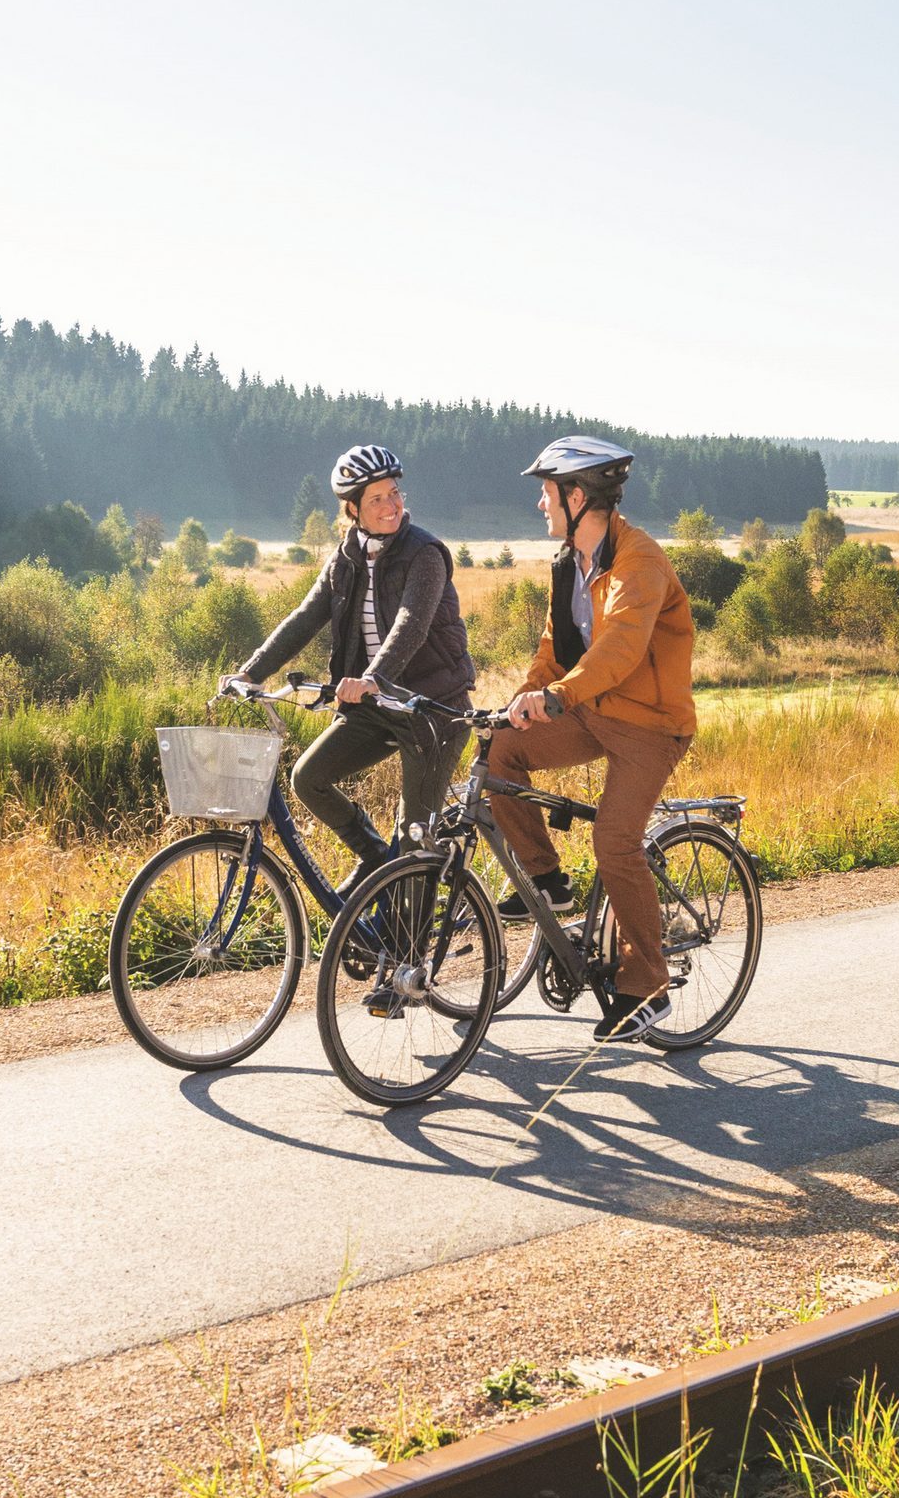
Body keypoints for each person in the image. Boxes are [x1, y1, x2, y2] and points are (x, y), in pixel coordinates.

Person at [486, 434, 696, 1044]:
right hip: (592, 708)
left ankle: (648, 984)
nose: (540, 505)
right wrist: (524, 701)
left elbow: (621, 650)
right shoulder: (569, 565)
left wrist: (556, 698)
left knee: (614, 839)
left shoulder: (639, 562)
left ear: (577, 497)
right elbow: (556, 652)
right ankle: (543, 878)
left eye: (546, 494)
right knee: (501, 751)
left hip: (651, 726)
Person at [231, 444, 475, 876]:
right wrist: (251, 671)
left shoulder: (425, 554)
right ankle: (381, 864)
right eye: (377, 498)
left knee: (415, 837)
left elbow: (411, 622)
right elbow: (304, 618)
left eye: (394, 493)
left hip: (433, 709)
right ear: (353, 509)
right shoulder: (346, 559)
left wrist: (372, 678)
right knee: (308, 779)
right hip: (377, 707)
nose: (391, 505)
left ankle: (411, 940)